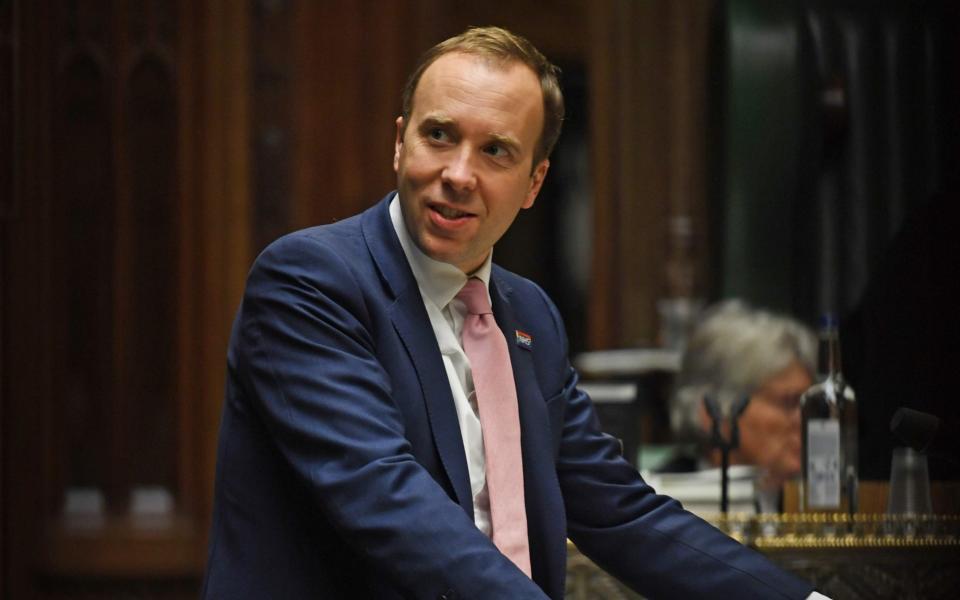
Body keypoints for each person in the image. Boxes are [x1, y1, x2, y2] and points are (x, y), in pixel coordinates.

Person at [202, 26, 823, 599]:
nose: (458, 174)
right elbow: (386, 498)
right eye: (438, 135)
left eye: (496, 150)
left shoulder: (530, 315)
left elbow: (620, 510)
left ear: (534, 183)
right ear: (399, 142)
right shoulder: (310, 282)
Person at [664, 300, 817, 512]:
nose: (804, 421)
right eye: (788, 403)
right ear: (713, 412)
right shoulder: (659, 505)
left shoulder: (820, 507)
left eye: (809, 404)